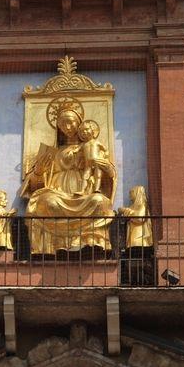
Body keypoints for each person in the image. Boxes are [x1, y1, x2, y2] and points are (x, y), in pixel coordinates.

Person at [19, 102, 117, 255]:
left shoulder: (92, 146)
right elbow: (33, 187)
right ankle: (56, 246)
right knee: (46, 202)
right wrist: (38, 172)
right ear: (58, 127)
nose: (68, 127)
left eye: (71, 122)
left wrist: (104, 165)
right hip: (58, 192)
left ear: (80, 123)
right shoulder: (52, 152)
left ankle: (89, 241)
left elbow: (108, 174)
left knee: (99, 202)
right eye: (63, 124)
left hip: (84, 193)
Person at [78, 119, 110, 195]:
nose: (84, 132)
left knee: (98, 175)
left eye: (86, 130)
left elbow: (105, 150)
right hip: (87, 163)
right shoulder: (83, 144)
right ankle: (82, 190)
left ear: (92, 130)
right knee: (85, 176)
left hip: (97, 162)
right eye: (82, 131)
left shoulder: (97, 142)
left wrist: (105, 156)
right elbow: (77, 150)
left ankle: (96, 189)